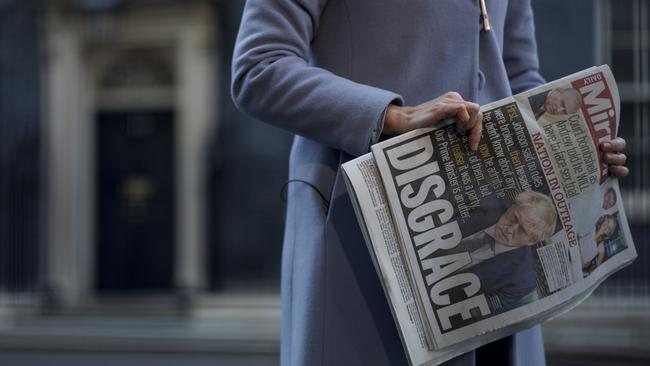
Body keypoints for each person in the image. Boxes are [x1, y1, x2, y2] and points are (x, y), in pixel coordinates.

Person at [231, 1, 629, 365]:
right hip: (362, 234)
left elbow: (517, 73)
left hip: (500, 268)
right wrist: (392, 115)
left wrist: (574, 145)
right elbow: (259, 66)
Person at [448, 191, 556, 314]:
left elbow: (475, 312)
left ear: (531, 241)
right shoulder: (483, 201)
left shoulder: (521, 281)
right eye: (515, 218)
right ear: (513, 206)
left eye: (522, 230)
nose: (509, 230)